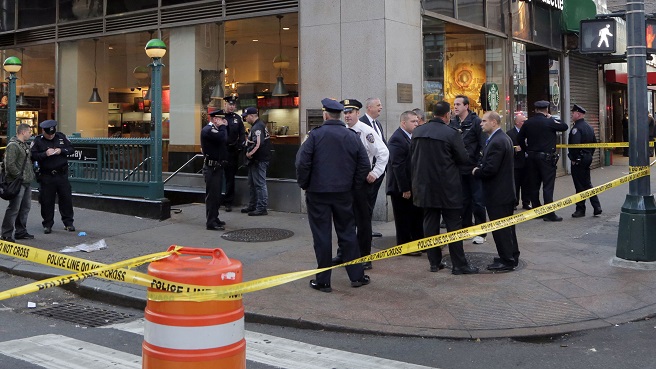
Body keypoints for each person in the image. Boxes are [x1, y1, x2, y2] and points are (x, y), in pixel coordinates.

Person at [295, 98, 371, 292]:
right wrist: (353, 186)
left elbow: (302, 163)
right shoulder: (351, 136)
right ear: (339, 115)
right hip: (344, 193)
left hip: (318, 193)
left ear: (325, 114)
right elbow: (364, 164)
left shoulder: (315, 135)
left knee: (322, 236)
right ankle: (356, 276)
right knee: (347, 233)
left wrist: (305, 184)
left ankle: (323, 281)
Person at [411, 101, 479, 275]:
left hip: (425, 187)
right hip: (447, 187)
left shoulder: (418, 131)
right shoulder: (451, 133)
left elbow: (413, 156)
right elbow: (463, 158)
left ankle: (434, 262)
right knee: (453, 226)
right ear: (447, 115)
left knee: (430, 224)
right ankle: (459, 265)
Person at [331, 99, 388, 270]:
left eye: (350, 112)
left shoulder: (365, 131)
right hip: (345, 183)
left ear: (358, 113)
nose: (347, 116)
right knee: (344, 220)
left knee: (363, 221)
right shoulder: (342, 131)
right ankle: (344, 253)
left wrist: (375, 173)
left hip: (362, 183)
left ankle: (365, 257)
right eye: (345, 113)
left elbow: (383, 152)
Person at [472, 111, 519, 271]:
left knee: (502, 229)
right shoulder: (501, 138)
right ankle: (511, 255)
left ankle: (507, 261)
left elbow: (490, 169)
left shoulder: (498, 141)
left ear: (494, 122)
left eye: (484, 121)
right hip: (502, 192)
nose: (481, 123)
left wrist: (476, 171)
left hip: (499, 194)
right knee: (507, 228)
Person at [517, 100, 568, 222]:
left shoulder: (528, 123)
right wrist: (552, 118)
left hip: (532, 157)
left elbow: (519, 138)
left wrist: (526, 150)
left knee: (534, 185)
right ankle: (549, 213)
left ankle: (536, 210)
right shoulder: (549, 122)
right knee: (548, 185)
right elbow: (564, 126)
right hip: (546, 158)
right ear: (547, 110)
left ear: (535, 110)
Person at [450, 95, 487, 245]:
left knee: (477, 201)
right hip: (459, 168)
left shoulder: (476, 122)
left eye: (458, 104)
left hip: (473, 168)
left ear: (466, 106)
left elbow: (483, 144)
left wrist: (479, 165)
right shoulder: (453, 123)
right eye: (454, 105)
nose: (455, 107)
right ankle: (466, 228)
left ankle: (480, 232)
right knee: (463, 200)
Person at [387, 111, 423, 257]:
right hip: (400, 187)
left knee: (414, 216)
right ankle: (405, 246)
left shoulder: (411, 137)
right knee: (403, 218)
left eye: (417, 121)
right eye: (413, 121)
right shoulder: (397, 139)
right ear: (403, 123)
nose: (416, 124)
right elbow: (398, 166)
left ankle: (417, 243)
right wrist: (405, 188)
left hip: (412, 185)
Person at [31, 120, 75, 234]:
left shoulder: (61, 137)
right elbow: (32, 155)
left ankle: (68, 223)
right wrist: (45, 154)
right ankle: (47, 224)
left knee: (66, 199)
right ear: (43, 131)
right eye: (48, 134)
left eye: (52, 134)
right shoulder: (38, 140)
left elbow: (71, 149)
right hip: (47, 175)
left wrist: (61, 150)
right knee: (47, 201)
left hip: (62, 174)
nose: (50, 136)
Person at [1, 124, 35, 242]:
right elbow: (10, 164)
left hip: (25, 182)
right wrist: (20, 177)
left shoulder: (24, 145)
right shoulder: (13, 146)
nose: (31, 134)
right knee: (14, 208)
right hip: (17, 182)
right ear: (23, 132)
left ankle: (21, 231)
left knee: (25, 207)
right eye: (29, 132)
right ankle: (6, 233)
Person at [568, 104, 602, 218]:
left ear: (578, 114)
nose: (572, 115)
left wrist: (574, 158)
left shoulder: (576, 128)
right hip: (587, 158)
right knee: (586, 182)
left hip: (579, 159)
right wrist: (589, 155)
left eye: (573, 113)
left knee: (580, 185)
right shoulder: (589, 127)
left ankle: (581, 209)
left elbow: (575, 145)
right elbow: (594, 144)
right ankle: (596, 206)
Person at [359, 97, 386, 237]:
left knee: (371, 201)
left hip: (378, 171)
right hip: (367, 172)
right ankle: (364, 229)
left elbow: (382, 147)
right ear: (369, 108)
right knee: (365, 203)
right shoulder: (362, 124)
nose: (381, 107)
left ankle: (367, 228)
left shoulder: (378, 124)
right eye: (378, 105)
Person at [201, 109, 229, 230]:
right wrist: (223, 127)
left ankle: (215, 217)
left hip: (217, 167)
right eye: (222, 119)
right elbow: (223, 138)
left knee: (217, 195)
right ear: (215, 119)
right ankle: (211, 222)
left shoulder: (216, 129)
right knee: (212, 196)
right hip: (211, 168)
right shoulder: (208, 130)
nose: (224, 122)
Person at [241, 107, 271, 216]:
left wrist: (249, 154)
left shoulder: (257, 127)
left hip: (258, 160)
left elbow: (258, 144)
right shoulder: (258, 126)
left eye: (246, 116)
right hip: (257, 160)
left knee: (259, 184)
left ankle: (261, 207)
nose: (245, 118)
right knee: (253, 184)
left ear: (252, 115)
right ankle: (253, 205)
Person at [221, 95, 246, 212]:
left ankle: (228, 202)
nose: (231, 107)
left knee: (230, 177)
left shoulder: (237, 118)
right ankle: (217, 199)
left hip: (232, 151)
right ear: (225, 104)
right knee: (218, 176)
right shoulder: (219, 116)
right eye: (230, 104)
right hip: (221, 150)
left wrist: (241, 145)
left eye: (233, 105)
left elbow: (242, 133)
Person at [506, 112, 531, 210]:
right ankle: (514, 202)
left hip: (527, 162)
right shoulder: (510, 134)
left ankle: (526, 202)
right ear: (517, 123)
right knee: (515, 184)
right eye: (523, 121)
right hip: (516, 164)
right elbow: (506, 148)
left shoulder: (529, 132)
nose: (525, 123)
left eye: (525, 121)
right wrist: (514, 149)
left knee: (526, 184)